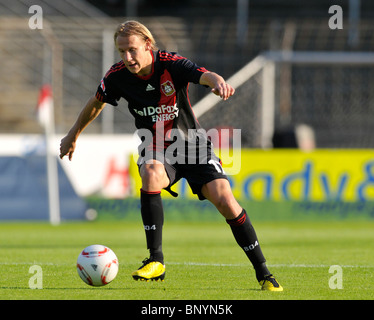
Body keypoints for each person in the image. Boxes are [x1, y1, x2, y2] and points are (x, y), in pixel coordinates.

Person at [59, 20, 283, 291]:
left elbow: (204, 74)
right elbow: (96, 102)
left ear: (147, 45)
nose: (127, 57)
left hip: (193, 145)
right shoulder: (117, 76)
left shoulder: (171, 63)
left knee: (225, 199)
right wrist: (73, 134)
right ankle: (156, 260)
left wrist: (218, 82)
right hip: (154, 145)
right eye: (121, 52)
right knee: (151, 173)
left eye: (132, 50)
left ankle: (264, 274)